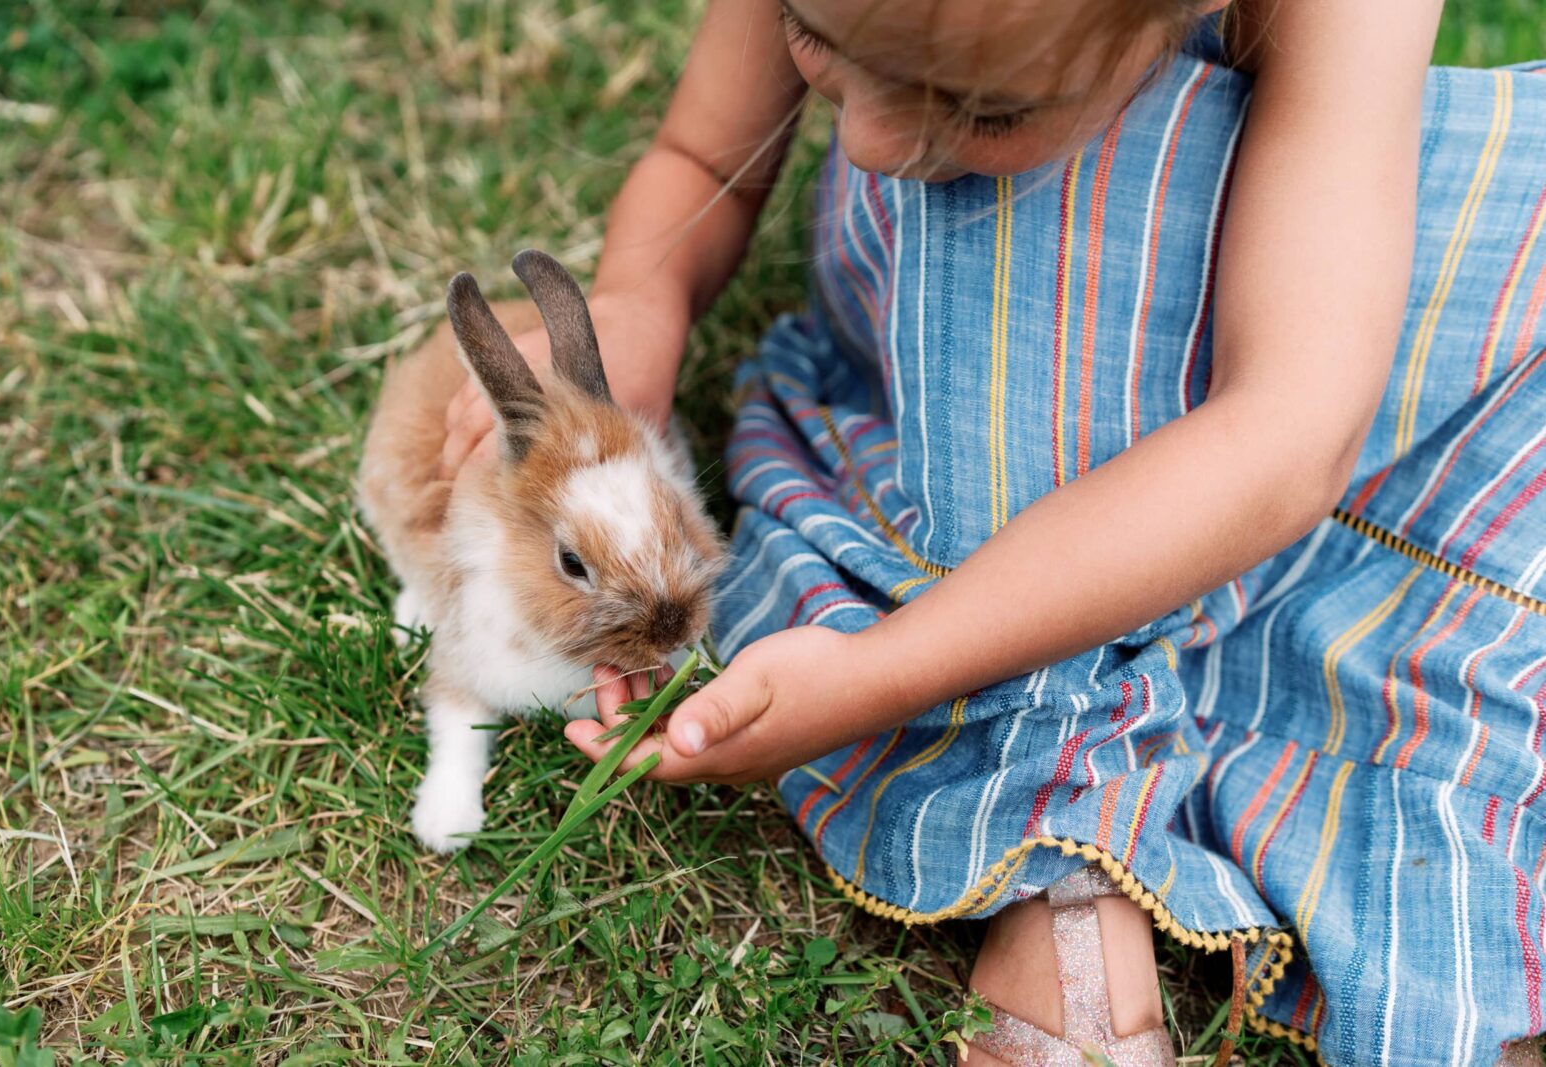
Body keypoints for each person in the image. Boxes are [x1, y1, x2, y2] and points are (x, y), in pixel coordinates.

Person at [437, 1, 1546, 1062]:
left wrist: (889, 668)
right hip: (983, 347)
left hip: (1281, 369)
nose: (865, 144)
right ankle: (1066, 809)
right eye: (812, 37)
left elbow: (1291, 428)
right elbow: (698, 155)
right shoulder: (929, 120)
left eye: (986, 108)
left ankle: (1039, 732)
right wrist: (641, 295)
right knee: (1001, 188)